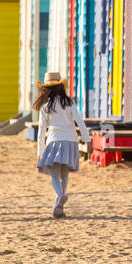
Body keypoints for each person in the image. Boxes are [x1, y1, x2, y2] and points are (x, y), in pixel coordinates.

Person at [33, 72, 90, 218]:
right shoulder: (70, 103)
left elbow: (41, 132)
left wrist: (40, 152)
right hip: (70, 142)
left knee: (54, 175)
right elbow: (80, 122)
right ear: (61, 87)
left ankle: (60, 196)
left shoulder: (45, 107)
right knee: (64, 173)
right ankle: (60, 208)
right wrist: (87, 141)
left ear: (46, 89)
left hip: (54, 141)